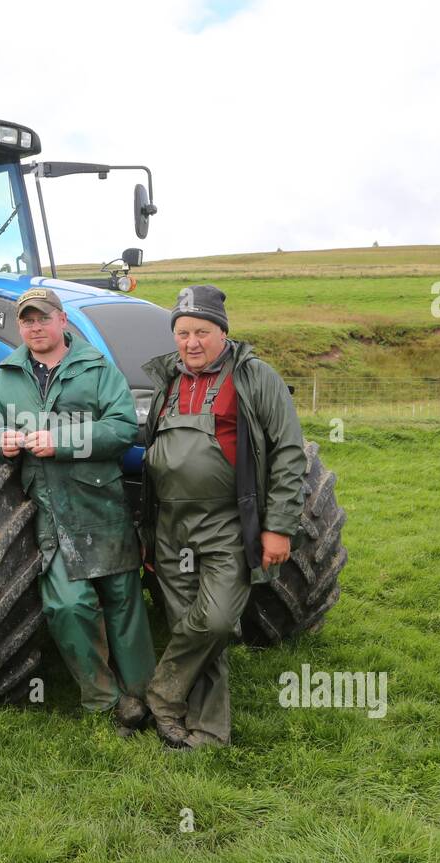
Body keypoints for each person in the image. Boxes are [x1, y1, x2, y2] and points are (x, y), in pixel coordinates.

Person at [140, 284, 306, 750]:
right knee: (186, 625)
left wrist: (279, 527)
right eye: (182, 332)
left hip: (227, 521)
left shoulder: (255, 377)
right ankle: (206, 732)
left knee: (213, 622)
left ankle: (159, 693)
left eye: (202, 332)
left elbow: (289, 452)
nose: (191, 342)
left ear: (223, 333)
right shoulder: (168, 380)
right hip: (170, 524)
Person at [0, 287, 155, 735]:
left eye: (43, 318)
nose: (35, 327)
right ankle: (106, 701)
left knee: (122, 600)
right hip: (47, 503)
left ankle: (145, 696)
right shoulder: (7, 375)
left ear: (63, 321)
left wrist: (61, 443)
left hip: (99, 500)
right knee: (68, 604)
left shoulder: (97, 369)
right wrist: (1, 442)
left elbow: (122, 429)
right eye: (27, 321)